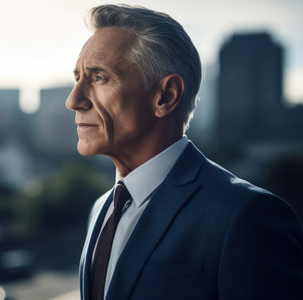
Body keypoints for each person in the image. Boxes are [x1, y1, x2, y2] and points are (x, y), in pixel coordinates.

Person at [65, 4, 303, 300]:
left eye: (100, 78)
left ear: (165, 96)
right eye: (77, 78)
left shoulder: (245, 215)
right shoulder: (101, 209)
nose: (73, 100)